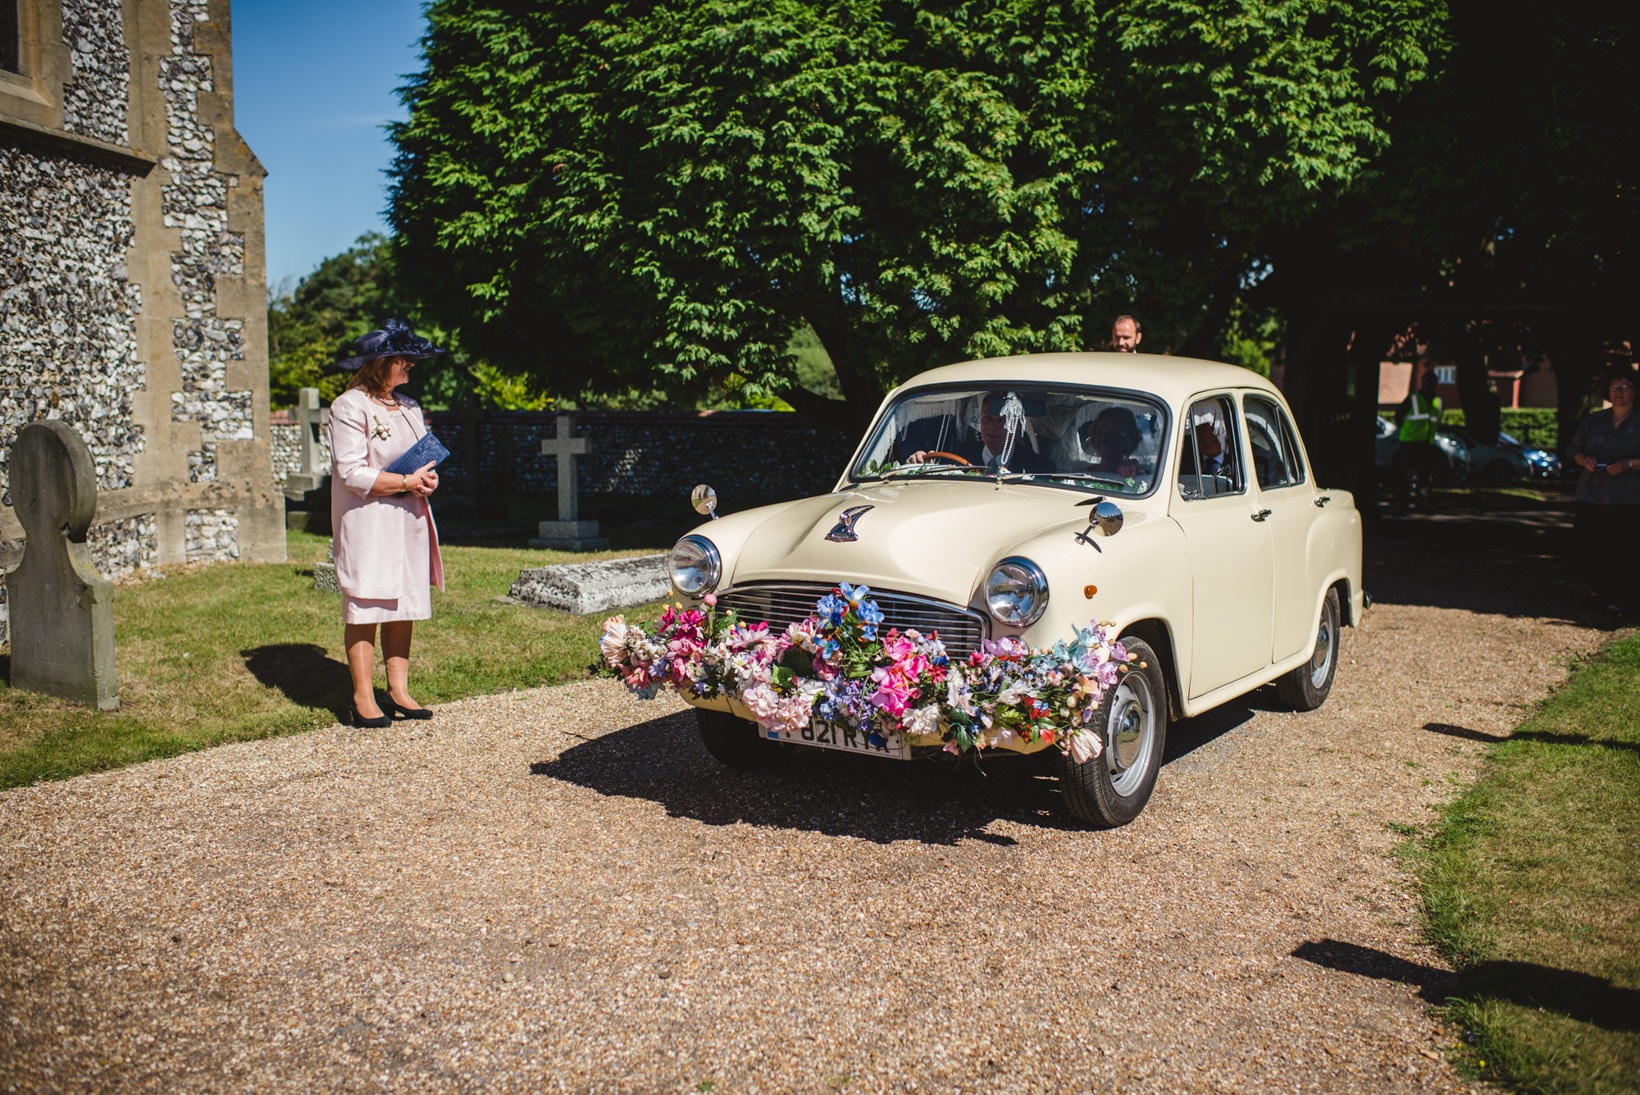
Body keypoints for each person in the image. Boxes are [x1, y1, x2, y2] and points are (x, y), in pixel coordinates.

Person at [328, 320, 447, 726]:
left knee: (403, 602)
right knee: (366, 603)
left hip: (409, 517)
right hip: (368, 519)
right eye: (404, 358)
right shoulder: (349, 406)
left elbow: (423, 455)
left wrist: (427, 479)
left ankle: (399, 691)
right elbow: (351, 472)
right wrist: (403, 482)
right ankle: (363, 697)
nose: (412, 364)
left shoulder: (411, 406)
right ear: (381, 362)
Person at [1567, 370, 1640, 615]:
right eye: (1614, 387)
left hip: (1628, 497)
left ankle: (1620, 598)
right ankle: (1595, 593)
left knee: (1623, 547)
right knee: (1591, 545)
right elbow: (1574, 449)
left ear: (1634, 391)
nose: (1619, 392)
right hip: (1592, 494)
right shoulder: (1594, 421)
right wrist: (1583, 459)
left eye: (1625, 387)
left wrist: (1628, 464)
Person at [905, 391, 1050, 472]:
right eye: (987, 418)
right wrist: (918, 461)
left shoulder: (1038, 467)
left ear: (1016, 425)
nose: (992, 426)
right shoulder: (955, 457)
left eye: (1000, 420)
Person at [1394, 367, 1442, 512]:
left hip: (1426, 443)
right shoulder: (1413, 399)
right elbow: (1399, 416)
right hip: (1410, 443)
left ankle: (1422, 504)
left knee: (1424, 475)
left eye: (1431, 383)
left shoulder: (1437, 401)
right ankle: (1404, 505)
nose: (1429, 386)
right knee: (1407, 475)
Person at [1080, 406, 1143, 479]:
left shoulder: (1135, 474)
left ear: (1126, 439)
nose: (1104, 439)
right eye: (1100, 432)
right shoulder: (1078, 471)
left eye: (1112, 434)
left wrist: (1134, 469)